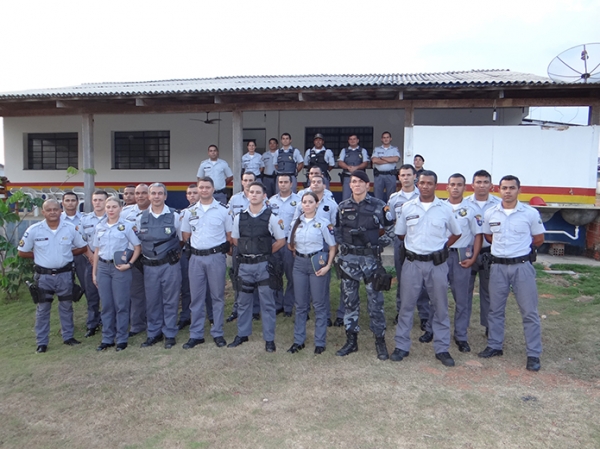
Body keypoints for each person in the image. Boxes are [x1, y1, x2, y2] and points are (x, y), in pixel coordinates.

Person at [391, 170, 462, 367]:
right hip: (412, 264)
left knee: (440, 307)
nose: (425, 186)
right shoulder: (407, 207)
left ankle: (442, 349)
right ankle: (401, 346)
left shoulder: (445, 209)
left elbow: (457, 232)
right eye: (422, 182)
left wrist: (442, 247)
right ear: (417, 183)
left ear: (435, 186)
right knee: (406, 306)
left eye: (429, 183)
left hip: (436, 265)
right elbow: (400, 234)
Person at [478, 175, 545, 372]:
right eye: (504, 188)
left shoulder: (530, 213)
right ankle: (494, 345)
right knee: (495, 309)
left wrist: (521, 250)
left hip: (521, 267)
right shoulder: (491, 213)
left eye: (512, 188)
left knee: (529, 312)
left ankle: (533, 353)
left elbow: (539, 238)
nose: (508, 191)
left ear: (519, 190)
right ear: (498, 190)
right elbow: (489, 236)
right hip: (498, 267)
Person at [334, 170, 394, 360]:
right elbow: (336, 230)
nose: (357, 184)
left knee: (376, 303)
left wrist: (379, 244)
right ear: (350, 185)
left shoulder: (379, 206)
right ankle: (351, 341)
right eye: (354, 181)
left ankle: (380, 341)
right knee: (350, 302)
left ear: (367, 185)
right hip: (348, 262)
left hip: (371, 262)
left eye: (361, 181)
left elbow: (392, 229)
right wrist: (342, 246)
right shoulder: (342, 207)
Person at [18, 199, 87, 353]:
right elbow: (22, 251)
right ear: (43, 212)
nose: (52, 212)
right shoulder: (34, 230)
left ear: (60, 210)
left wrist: (67, 254)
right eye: (48, 210)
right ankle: (42, 342)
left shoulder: (70, 228)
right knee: (43, 309)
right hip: (44, 277)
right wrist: (40, 256)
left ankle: (68, 337)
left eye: (55, 209)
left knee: (67, 307)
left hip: (65, 274)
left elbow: (82, 247)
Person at [228, 181, 286, 352]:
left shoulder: (272, 217)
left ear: (264, 196)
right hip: (245, 265)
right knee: (243, 302)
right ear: (247, 195)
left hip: (264, 266)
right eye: (251, 191)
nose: (253, 194)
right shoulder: (239, 217)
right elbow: (235, 240)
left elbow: (281, 241)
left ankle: (269, 339)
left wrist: (265, 252)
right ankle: (242, 334)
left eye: (257, 192)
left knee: (267, 304)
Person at [181, 177, 232, 349]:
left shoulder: (223, 210)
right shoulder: (189, 212)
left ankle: (217, 332)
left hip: (215, 257)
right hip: (195, 258)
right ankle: (196, 334)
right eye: (200, 187)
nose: (203, 190)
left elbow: (229, 235)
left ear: (213, 189)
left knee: (217, 296)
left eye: (207, 187)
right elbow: (186, 236)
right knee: (196, 298)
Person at [287, 192, 337, 354]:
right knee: (301, 305)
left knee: (319, 304)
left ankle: (320, 342)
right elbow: (291, 244)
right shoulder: (296, 223)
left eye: (310, 202)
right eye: (304, 202)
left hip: (317, 264)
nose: (307, 204)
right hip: (300, 264)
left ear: (317, 204)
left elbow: (332, 247)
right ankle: (298, 340)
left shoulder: (323, 223)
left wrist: (328, 265)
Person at [440, 173, 483, 353]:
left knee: (462, 299)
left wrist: (473, 257)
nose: (456, 187)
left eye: (459, 185)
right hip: (441, 255)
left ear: (465, 188)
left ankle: (461, 335)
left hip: (461, 255)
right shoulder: (439, 207)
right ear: (447, 187)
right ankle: (436, 331)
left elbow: (478, 235)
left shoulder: (472, 209)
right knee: (438, 296)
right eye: (452, 184)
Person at [92, 197, 141, 352]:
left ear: (120, 208)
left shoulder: (127, 226)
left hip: (119, 268)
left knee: (121, 304)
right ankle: (107, 338)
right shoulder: (99, 226)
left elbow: (137, 247)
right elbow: (96, 251)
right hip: (103, 268)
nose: (111, 210)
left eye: (114, 207)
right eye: (108, 207)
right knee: (106, 305)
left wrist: (130, 264)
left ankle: (121, 338)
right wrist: (94, 273)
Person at [136, 183, 182, 349]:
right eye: (153, 193)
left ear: (165, 196)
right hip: (149, 266)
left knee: (171, 300)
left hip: (170, 265)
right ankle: (153, 333)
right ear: (149, 196)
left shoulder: (175, 216)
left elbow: (181, 238)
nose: (156, 196)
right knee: (153, 300)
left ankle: (169, 333)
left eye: (160, 193)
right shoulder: (140, 218)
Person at [386, 165, 430, 329]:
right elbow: (389, 216)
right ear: (399, 177)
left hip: (420, 242)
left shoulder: (423, 197)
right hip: (401, 241)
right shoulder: (394, 198)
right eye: (402, 175)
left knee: (423, 279)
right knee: (403, 278)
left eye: (408, 175)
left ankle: (424, 315)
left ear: (415, 177)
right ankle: (402, 312)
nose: (405, 178)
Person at [293, 175, 339, 326]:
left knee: (321, 289)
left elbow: (333, 226)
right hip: (303, 253)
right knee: (301, 295)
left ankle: (324, 317)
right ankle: (304, 315)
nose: (316, 184)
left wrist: (328, 262)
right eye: (313, 182)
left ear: (324, 185)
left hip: (322, 249)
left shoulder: (331, 205)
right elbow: (292, 239)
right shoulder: (298, 219)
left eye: (319, 182)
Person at [466, 170, 501, 336]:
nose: (482, 185)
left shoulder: (499, 204)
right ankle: (462, 326)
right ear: (472, 185)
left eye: (485, 182)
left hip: (489, 252)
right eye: (478, 182)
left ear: (491, 185)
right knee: (465, 290)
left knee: (489, 291)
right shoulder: (465, 203)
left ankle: (489, 326)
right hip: (468, 251)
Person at [226, 172, 261, 322]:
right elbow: (228, 220)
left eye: (251, 180)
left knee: (258, 279)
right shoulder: (234, 199)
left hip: (256, 246)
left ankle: (255, 309)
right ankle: (237, 308)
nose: (248, 183)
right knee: (237, 278)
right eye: (245, 180)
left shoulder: (261, 199)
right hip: (239, 244)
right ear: (241, 182)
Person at [177, 184, 214, 330]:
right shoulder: (184, 213)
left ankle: (211, 317)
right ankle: (186, 316)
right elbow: (182, 236)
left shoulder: (209, 210)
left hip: (207, 253)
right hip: (189, 254)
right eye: (189, 193)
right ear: (186, 196)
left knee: (210, 289)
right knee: (187, 288)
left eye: (194, 192)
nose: (192, 195)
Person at [120, 184, 150, 337]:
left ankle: (154, 321)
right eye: (137, 193)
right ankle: (137, 324)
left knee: (155, 292)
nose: (140, 196)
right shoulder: (125, 213)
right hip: (133, 257)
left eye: (144, 193)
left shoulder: (161, 211)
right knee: (136, 292)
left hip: (154, 256)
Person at [268, 174, 300, 317]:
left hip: (289, 243)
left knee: (291, 276)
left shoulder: (299, 201)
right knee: (275, 275)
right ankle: (277, 304)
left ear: (291, 184)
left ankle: (288, 306)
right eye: (280, 182)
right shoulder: (270, 201)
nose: (283, 184)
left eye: (285, 182)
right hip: (275, 241)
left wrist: (294, 243)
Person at [80, 190, 108, 338]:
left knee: (107, 295)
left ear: (106, 201)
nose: (97, 202)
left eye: (100, 200)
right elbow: (81, 241)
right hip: (90, 262)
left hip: (107, 262)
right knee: (91, 294)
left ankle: (107, 321)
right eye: (95, 200)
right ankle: (92, 324)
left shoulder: (112, 217)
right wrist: (91, 256)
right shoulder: (85, 220)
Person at [61, 191, 87, 305]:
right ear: (62, 203)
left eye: (73, 200)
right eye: (67, 200)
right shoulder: (57, 219)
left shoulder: (84, 218)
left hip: (81, 254)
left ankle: (93, 317)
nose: (70, 203)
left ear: (77, 202)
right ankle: (67, 318)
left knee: (87, 285)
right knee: (65, 289)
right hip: (63, 256)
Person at [337, 134, 369, 200]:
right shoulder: (344, 150)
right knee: (346, 198)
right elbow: (340, 162)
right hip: (347, 177)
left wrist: (356, 168)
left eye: (354, 139)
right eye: (350, 139)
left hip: (359, 178)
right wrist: (348, 167)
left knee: (360, 196)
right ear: (348, 141)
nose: (352, 141)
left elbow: (366, 163)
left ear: (357, 140)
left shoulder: (363, 150)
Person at [371, 131, 400, 203]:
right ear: (381, 139)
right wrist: (389, 160)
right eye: (384, 137)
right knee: (377, 197)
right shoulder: (377, 149)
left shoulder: (394, 149)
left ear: (390, 139)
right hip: (379, 175)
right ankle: (379, 213)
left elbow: (396, 159)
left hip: (390, 175)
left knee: (391, 196)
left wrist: (382, 158)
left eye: (387, 137)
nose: (386, 139)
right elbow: (374, 160)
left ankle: (390, 213)